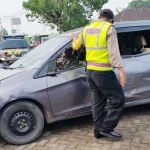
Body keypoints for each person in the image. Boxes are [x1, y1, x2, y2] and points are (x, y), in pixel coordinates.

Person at [71, 9, 126, 140]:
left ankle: (98, 131)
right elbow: (113, 51)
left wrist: (73, 39)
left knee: (97, 102)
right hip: (103, 72)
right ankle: (106, 128)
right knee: (118, 99)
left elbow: (76, 46)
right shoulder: (108, 28)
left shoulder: (87, 28)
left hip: (90, 71)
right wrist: (121, 70)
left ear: (99, 17)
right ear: (111, 19)